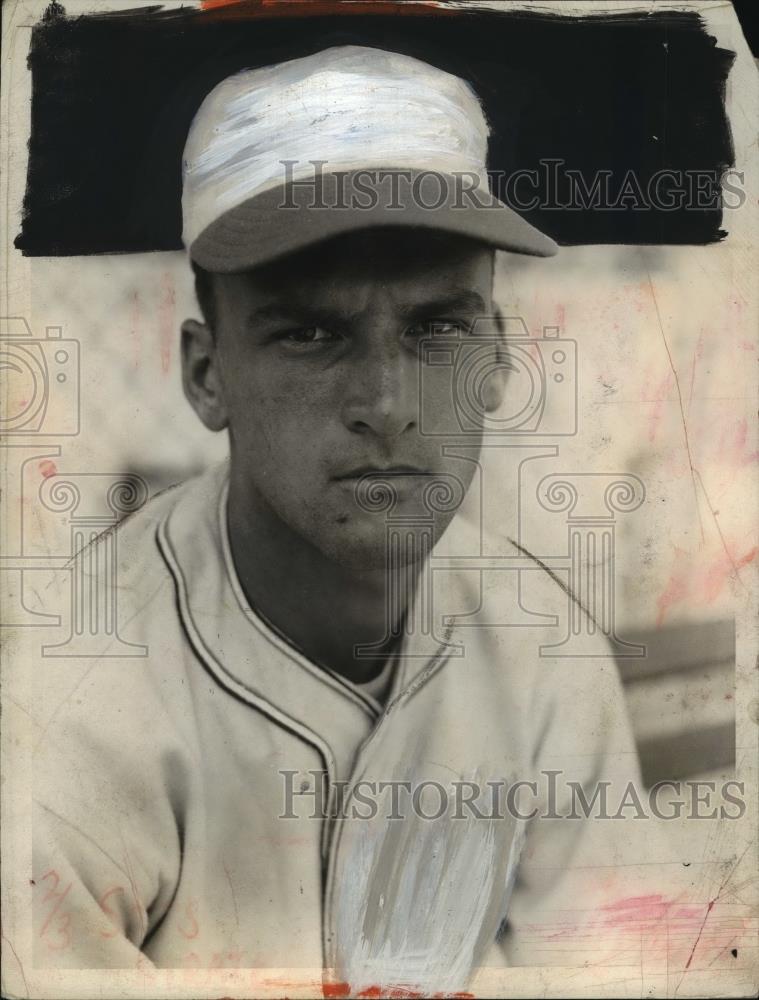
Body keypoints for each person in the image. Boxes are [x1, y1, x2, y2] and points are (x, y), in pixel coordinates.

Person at [32, 45, 643, 993]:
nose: (386, 401)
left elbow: (622, 969)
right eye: (309, 332)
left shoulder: (540, 642)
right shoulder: (71, 691)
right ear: (207, 373)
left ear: (496, 358)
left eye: (437, 327)